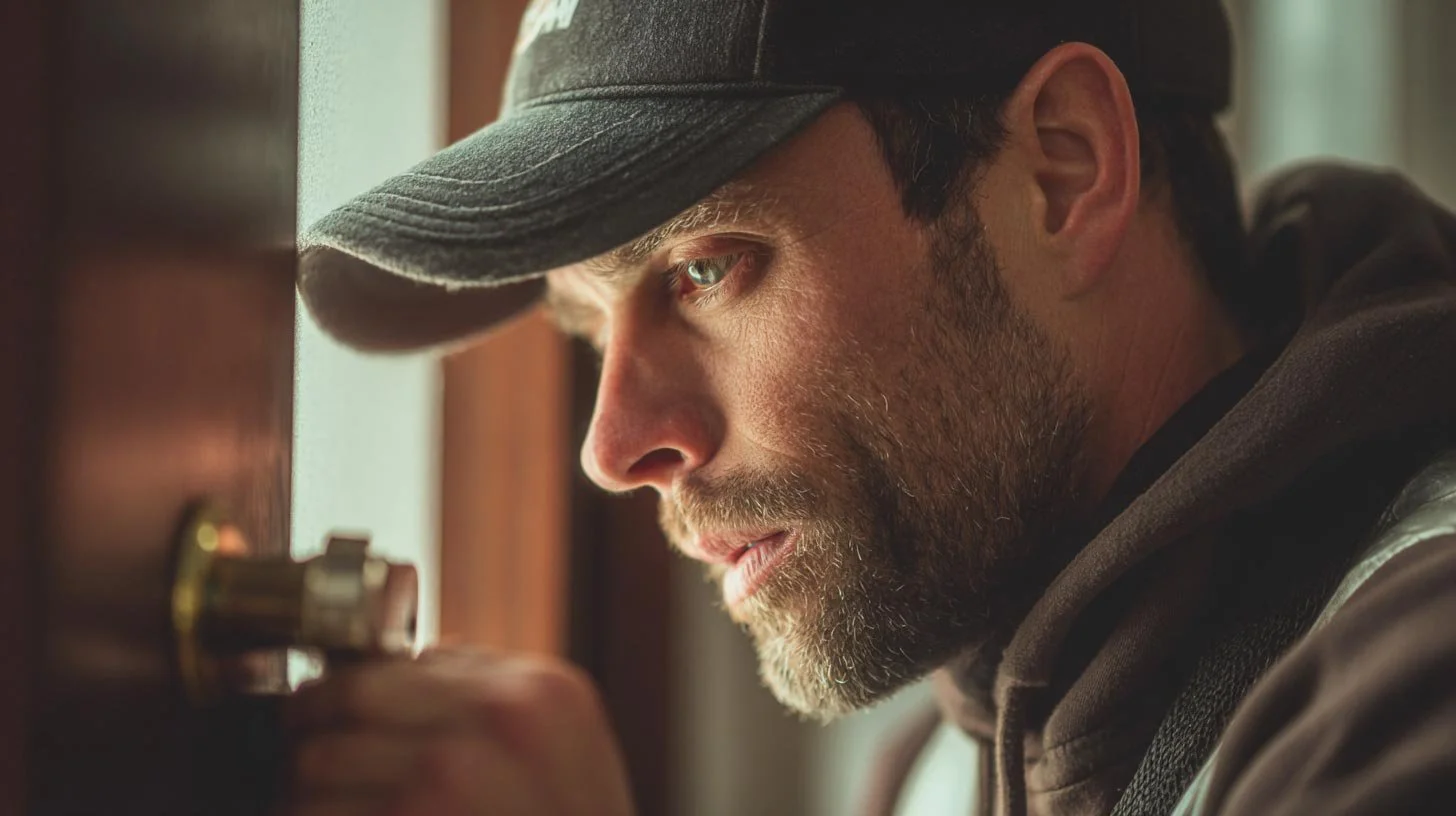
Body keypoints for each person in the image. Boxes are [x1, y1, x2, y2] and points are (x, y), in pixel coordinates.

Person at [289, 0, 1456, 814]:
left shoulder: (1415, 685)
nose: (614, 445)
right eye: (593, 326)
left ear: (1062, 166)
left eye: (706, 267)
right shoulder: (940, 766)